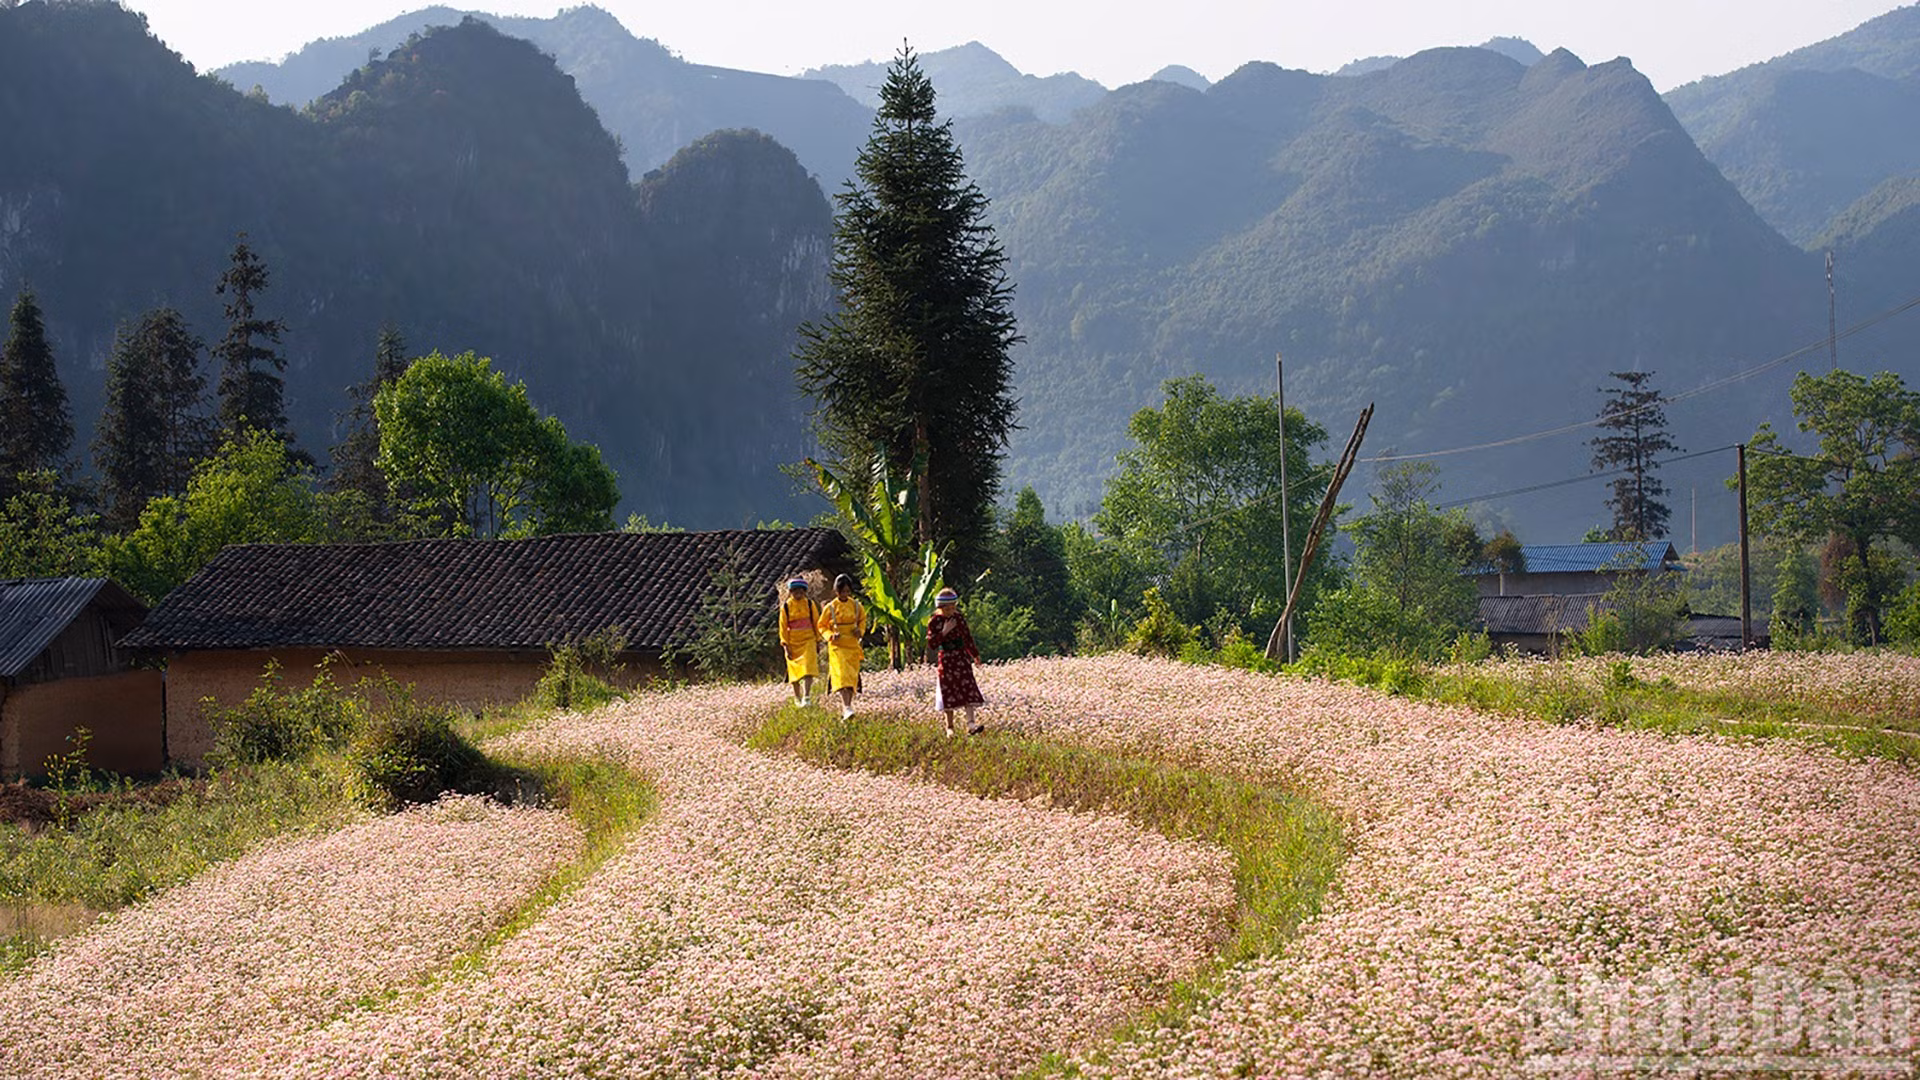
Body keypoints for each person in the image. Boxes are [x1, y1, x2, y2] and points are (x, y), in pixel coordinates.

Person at [925, 586, 985, 736]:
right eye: (948, 608)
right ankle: (949, 727)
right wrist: (944, 631)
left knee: (968, 688)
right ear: (941, 608)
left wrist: (975, 655)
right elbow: (932, 643)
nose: (951, 611)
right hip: (946, 658)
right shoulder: (934, 622)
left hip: (961, 658)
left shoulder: (958, 618)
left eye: (953, 607)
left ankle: (971, 724)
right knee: (948, 691)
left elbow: (967, 637)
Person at [822, 574, 867, 719]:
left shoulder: (856, 606)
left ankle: (849, 706)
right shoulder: (830, 607)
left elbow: (862, 621)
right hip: (837, 647)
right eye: (842, 592)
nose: (845, 594)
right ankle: (846, 707)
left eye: (847, 591)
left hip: (852, 645)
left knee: (851, 677)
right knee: (841, 676)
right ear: (837, 591)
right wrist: (830, 635)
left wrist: (860, 631)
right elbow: (821, 626)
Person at [777, 577, 822, 707]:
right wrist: (785, 646)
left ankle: (807, 697)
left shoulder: (810, 604)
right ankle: (797, 698)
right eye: (795, 591)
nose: (798, 594)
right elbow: (783, 627)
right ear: (790, 592)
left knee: (808, 668)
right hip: (793, 642)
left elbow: (816, 622)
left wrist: (818, 640)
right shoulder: (785, 607)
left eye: (801, 591)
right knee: (794, 672)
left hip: (808, 640)